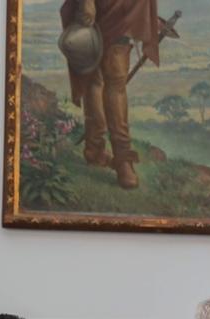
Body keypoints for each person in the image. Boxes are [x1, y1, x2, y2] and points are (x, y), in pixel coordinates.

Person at [59, 0, 161, 189]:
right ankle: (97, 150)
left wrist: (144, 18)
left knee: (113, 79)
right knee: (93, 77)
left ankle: (119, 158)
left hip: (125, 9)